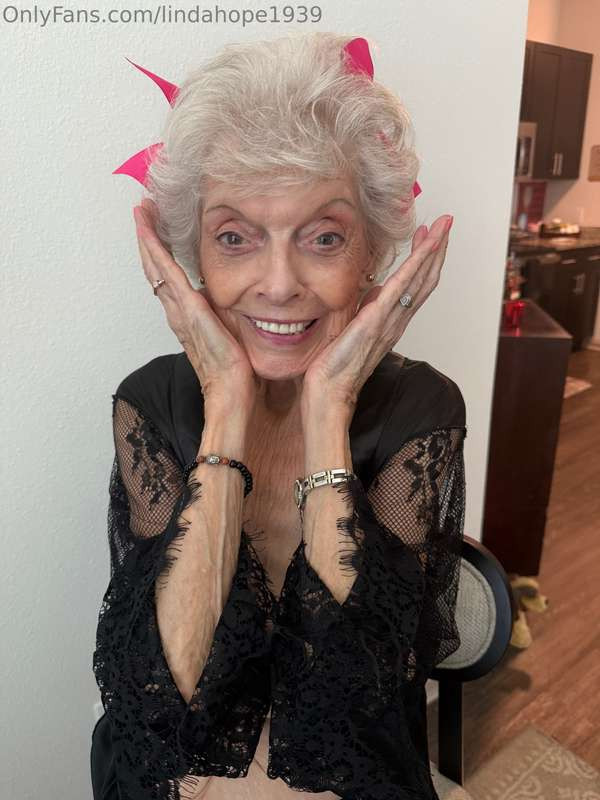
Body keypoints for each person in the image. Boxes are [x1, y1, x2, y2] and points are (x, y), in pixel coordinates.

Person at [91, 31, 467, 800]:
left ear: (372, 255)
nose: (278, 282)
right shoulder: (150, 402)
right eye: (235, 238)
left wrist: (329, 410)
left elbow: (348, 706)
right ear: (194, 257)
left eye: (324, 238)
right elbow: (165, 692)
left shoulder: (421, 408)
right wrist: (226, 407)